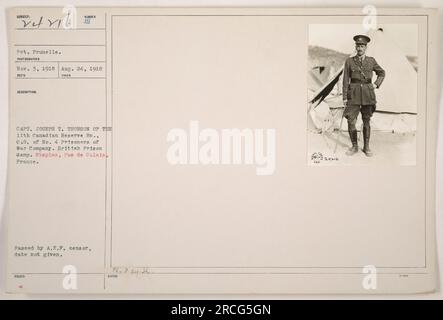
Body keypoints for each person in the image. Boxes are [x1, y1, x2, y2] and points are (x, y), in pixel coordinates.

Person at [342, 35, 385, 157]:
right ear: (355, 47)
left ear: (366, 47)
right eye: (358, 46)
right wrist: (344, 97)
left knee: (366, 120)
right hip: (353, 94)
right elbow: (345, 80)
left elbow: (382, 73)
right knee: (351, 121)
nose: (360, 48)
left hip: (367, 94)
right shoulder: (349, 61)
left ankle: (366, 147)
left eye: (362, 46)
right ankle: (354, 146)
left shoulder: (371, 61)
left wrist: (376, 84)